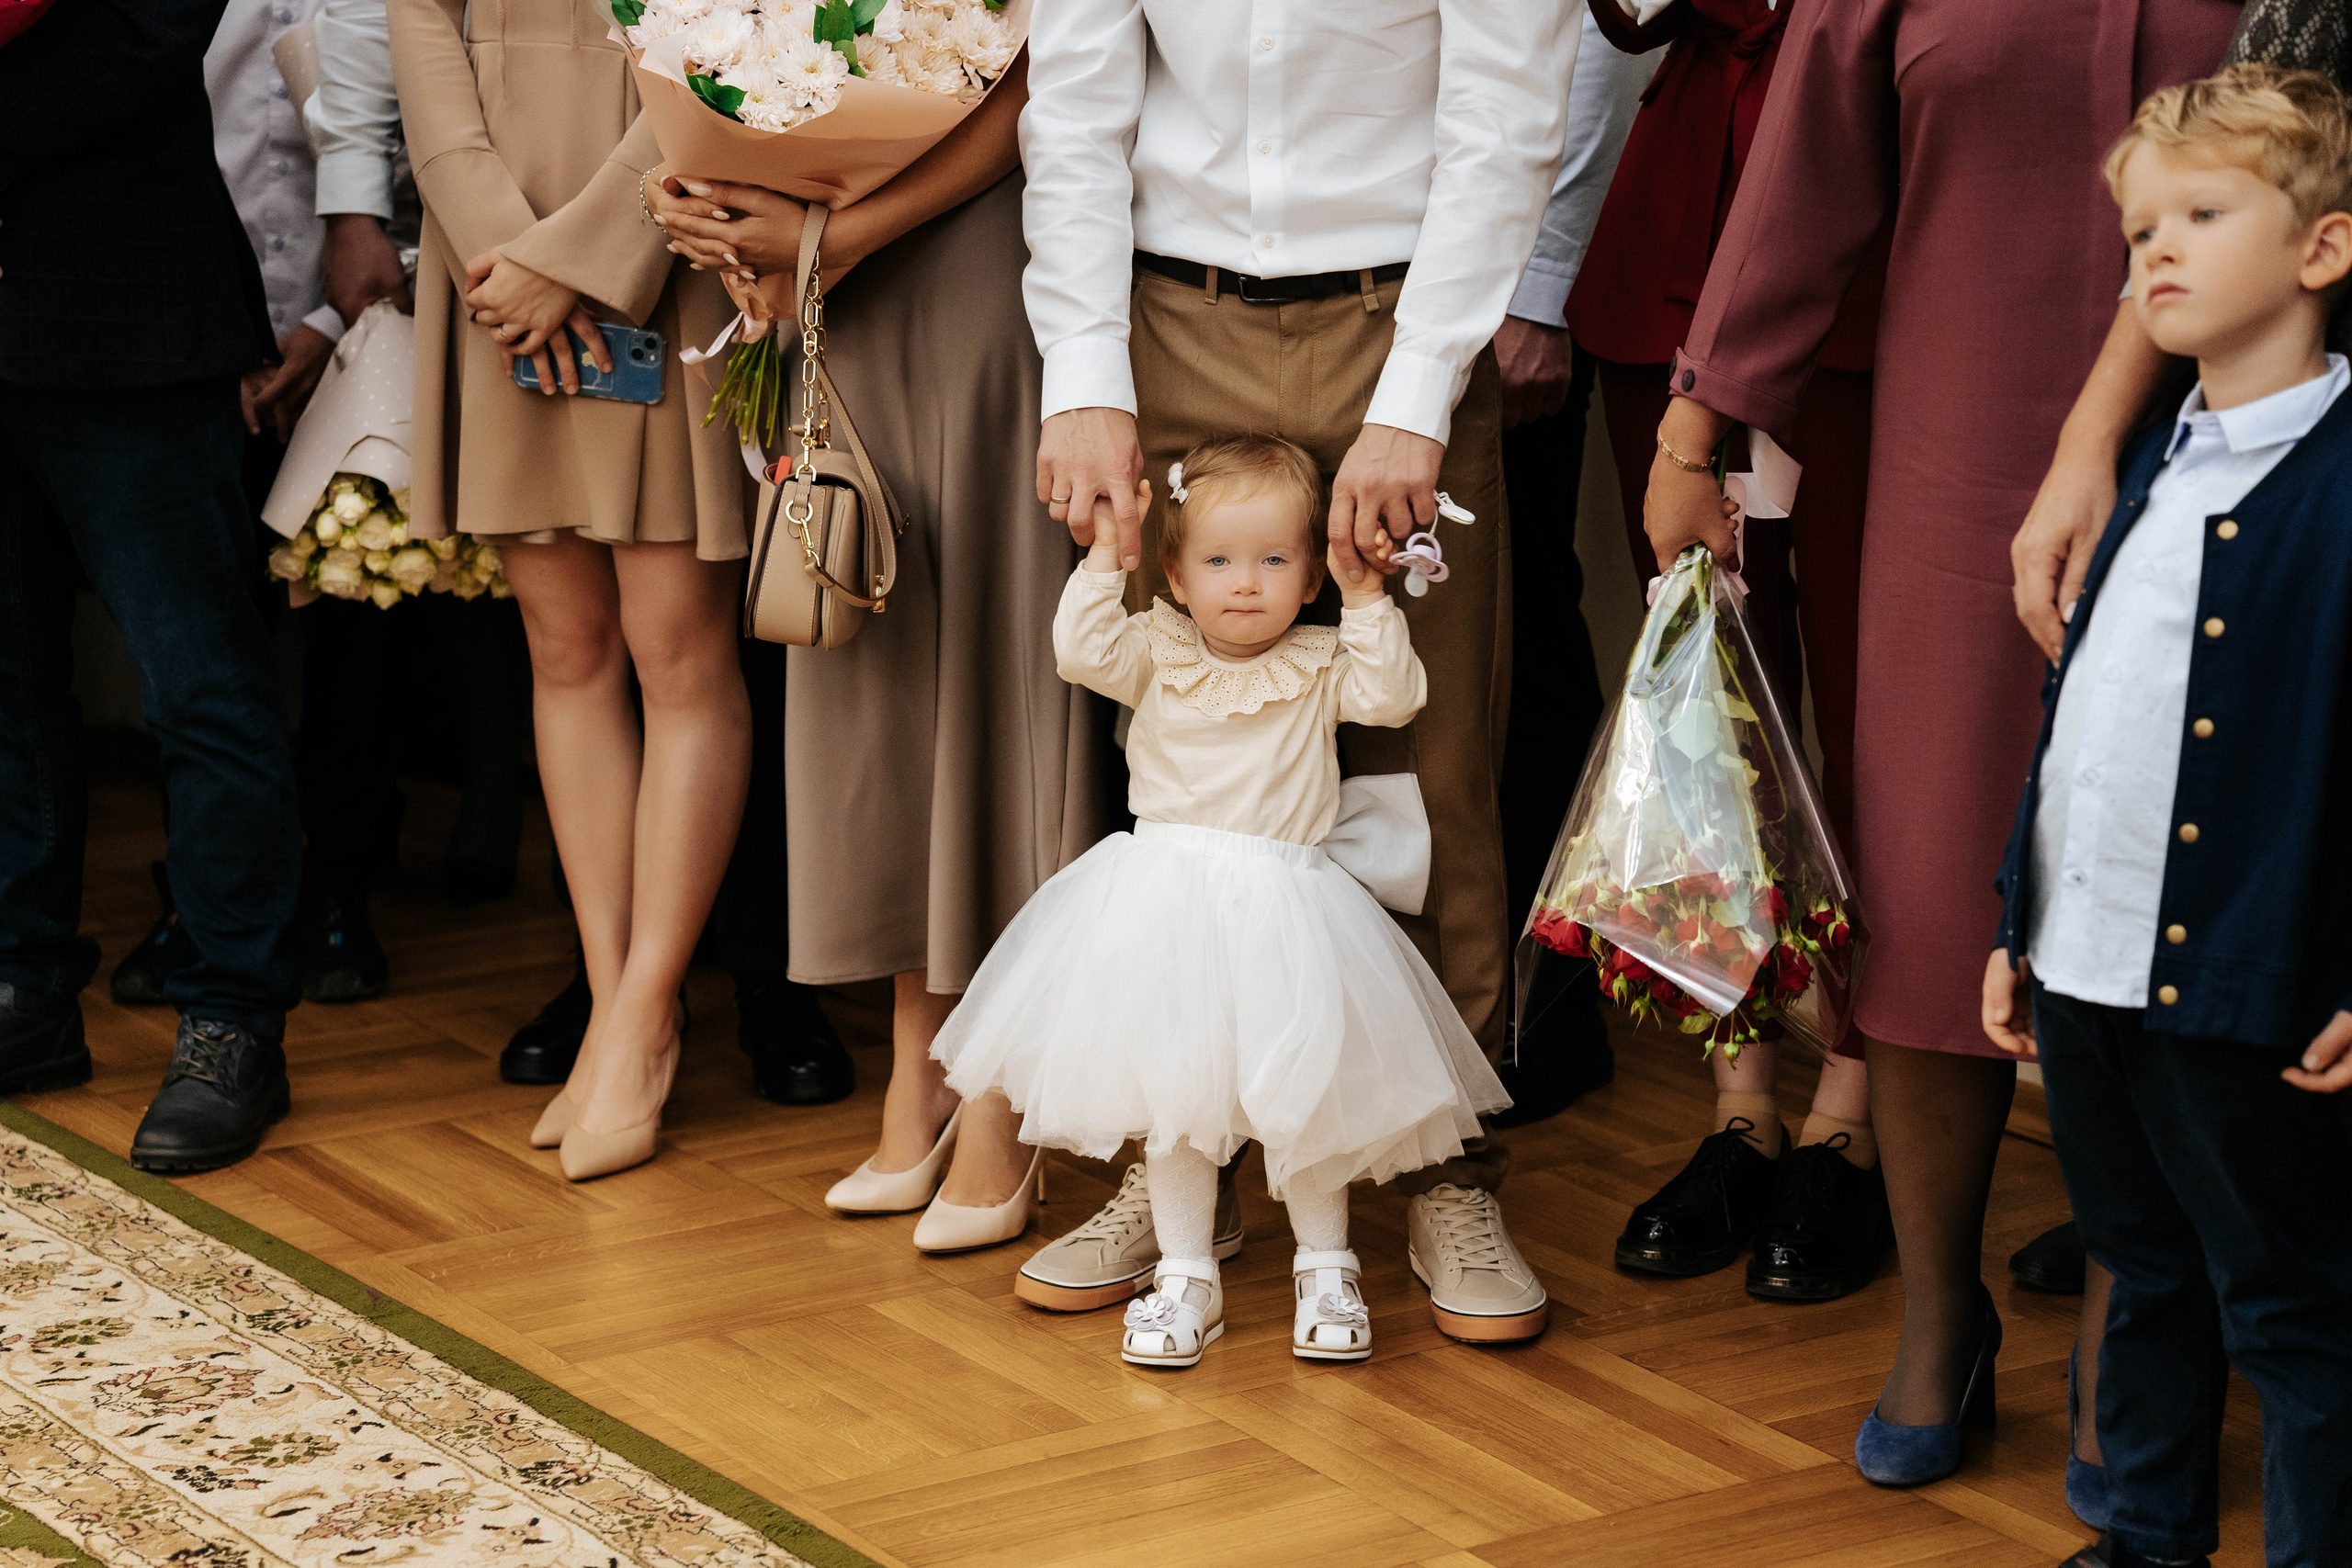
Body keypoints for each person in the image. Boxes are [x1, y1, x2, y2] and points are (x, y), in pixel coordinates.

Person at [1634, 0, 2241, 1488]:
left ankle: (2134, 1321)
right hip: (1950, 443)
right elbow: (1804, 184)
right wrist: (1694, 432)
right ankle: (1937, 1313)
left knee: (2172, 879)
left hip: (2230, 432)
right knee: (1919, 882)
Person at [1016, 0, 1574, 1344]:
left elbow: (1504, 122)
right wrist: (1084, 370)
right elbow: (1079, 110)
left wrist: (1419, 393)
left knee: (1423, 767)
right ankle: (1181, 1151)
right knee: (1190, 774)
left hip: (1397, 322)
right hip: (1169, 321)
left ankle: (1444, 1162)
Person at [647, 46, 1111, 1246]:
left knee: (1001, 666)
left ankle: (1009, 1083)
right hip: (833, 280)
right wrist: (702, 192)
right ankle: (926, 1067)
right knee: (880, 659)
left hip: (978, 256)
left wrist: (835, 233)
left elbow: (1033, 79)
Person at [1984, 63, 2352, 1568]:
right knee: (2144, 1262)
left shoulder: (2335, 487)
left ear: (2322, 250)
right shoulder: (2156, 466)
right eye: (2143, 230)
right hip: (2091, 963)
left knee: (2291, 1297)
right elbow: (2086, 730)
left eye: (2203, 214)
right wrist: (2022, 918)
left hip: (2252, 979)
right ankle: (2146, 1537)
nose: (2160, 252)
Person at [935, 435, 1509, 1368]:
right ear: (1174, 570)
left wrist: (1366, 598)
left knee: (1306, 1101)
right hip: (1166, 908)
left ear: (1310, 574)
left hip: (1290, 911)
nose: (1245, 585)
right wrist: (1101, 559)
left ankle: (1327, 1267)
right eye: (1218, 561)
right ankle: (1185, 1277)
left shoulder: (1321, 660)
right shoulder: (1157, 649)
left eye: (1274, 561)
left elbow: (1396, 697)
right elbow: (1079, 651)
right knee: (1176, 1105)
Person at [387, 0, 755, 1181]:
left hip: (658, 248)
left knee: (677, 651)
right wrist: (509, 264)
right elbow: (427, 67)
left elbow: (732, 52)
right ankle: (610, 997)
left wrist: (580, 262)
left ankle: (650, 1009)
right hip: (489, 268)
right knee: (564, 650)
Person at [1573, 0, 1890, 1303]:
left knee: (1881, 716)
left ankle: (1857, 1111)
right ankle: (1740, 1103)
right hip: (1679, 247)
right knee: (1702, 710)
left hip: (1876, 260)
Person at [0, 0, 305, 1172]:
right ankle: (23, 990)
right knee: (5, 678)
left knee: (202, 686)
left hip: (126, 302)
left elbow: (148, 29)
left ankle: (234, 1019)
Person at [1491, 0, 1657, 1130]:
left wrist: (1541, 287)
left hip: (1507, 278)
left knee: (1520, 619)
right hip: (1355, 257)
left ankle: (1544, 1010)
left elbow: (1593, 42)